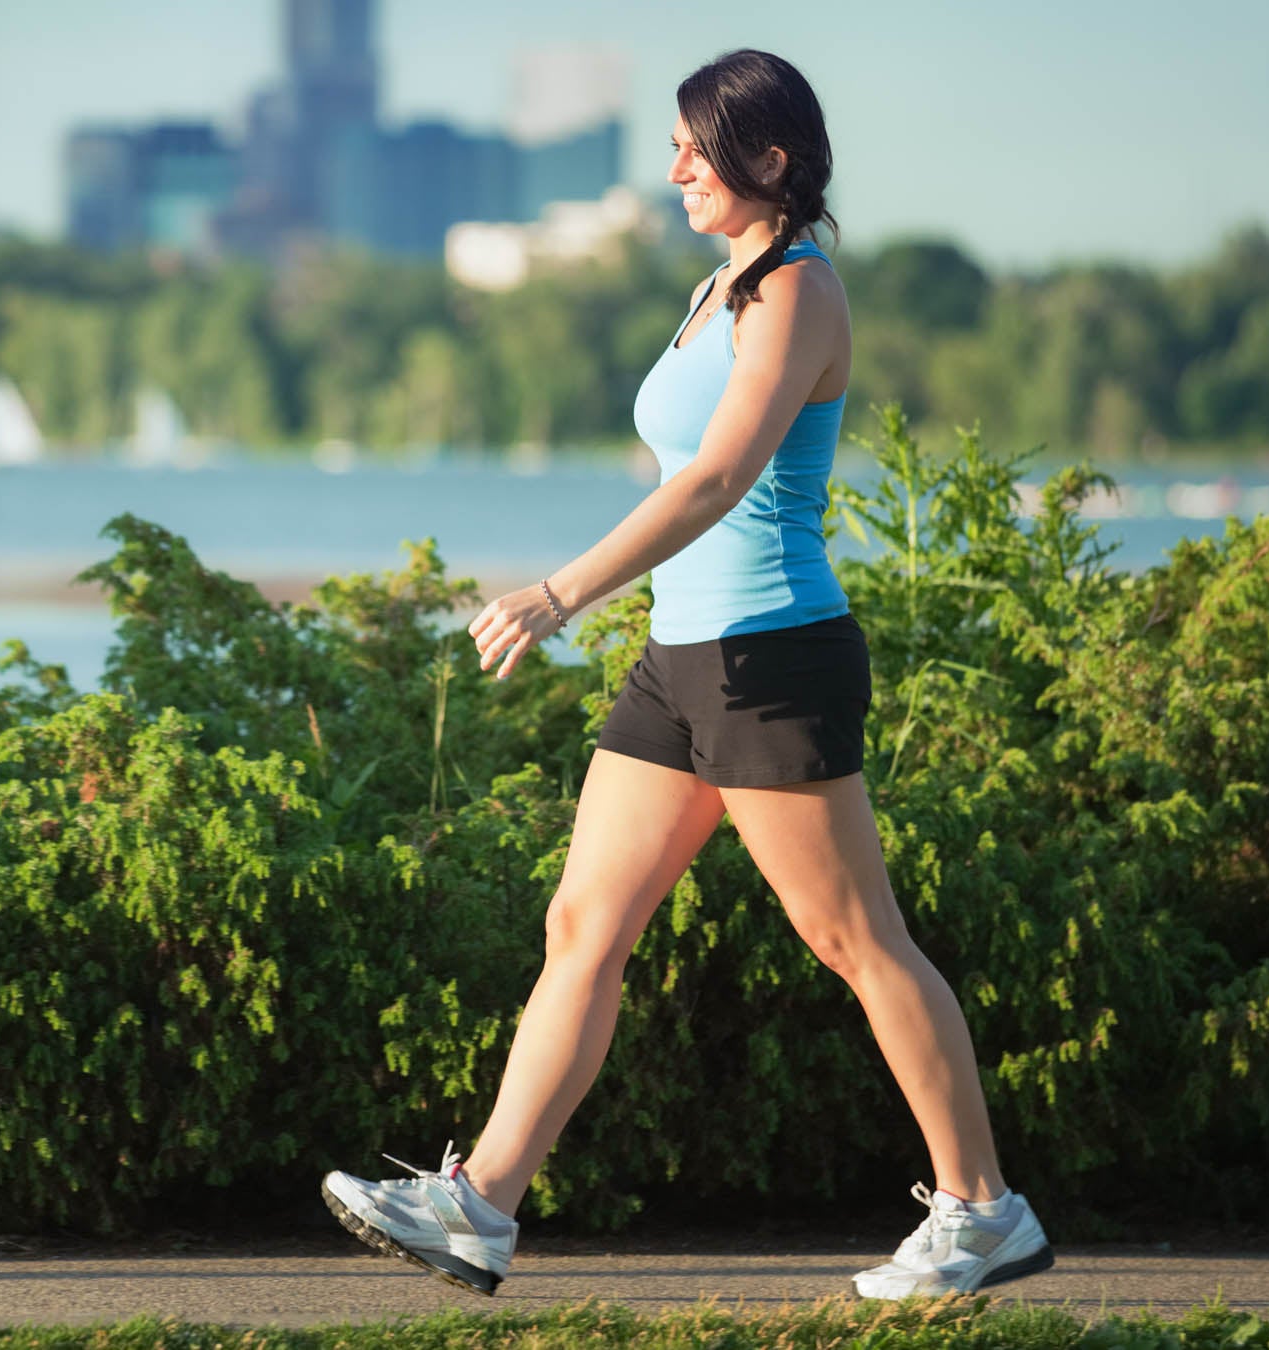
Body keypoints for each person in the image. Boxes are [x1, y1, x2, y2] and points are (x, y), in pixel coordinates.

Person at [319, 48, 1056, 1301]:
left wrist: (558, 593)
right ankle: (479, 1206)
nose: (673, 170)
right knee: (581, 927)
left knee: (853, 936)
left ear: (769, 158)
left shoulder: (798, 292)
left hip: (772, 655)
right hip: (680, 660)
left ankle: (986, 1211)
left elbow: (714, 482)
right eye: (671, 145)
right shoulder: (717, 288)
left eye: (694, 149)